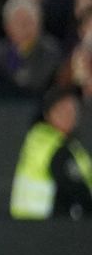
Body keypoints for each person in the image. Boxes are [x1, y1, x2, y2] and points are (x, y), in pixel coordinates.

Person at [10, 87, 91, 219]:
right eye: (62, 110)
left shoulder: (70, 145)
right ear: (48, 115)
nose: (68, 116)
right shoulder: (49, 144)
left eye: (72, 110)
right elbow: (73, 186)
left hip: (36, 224)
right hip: (43, 227)